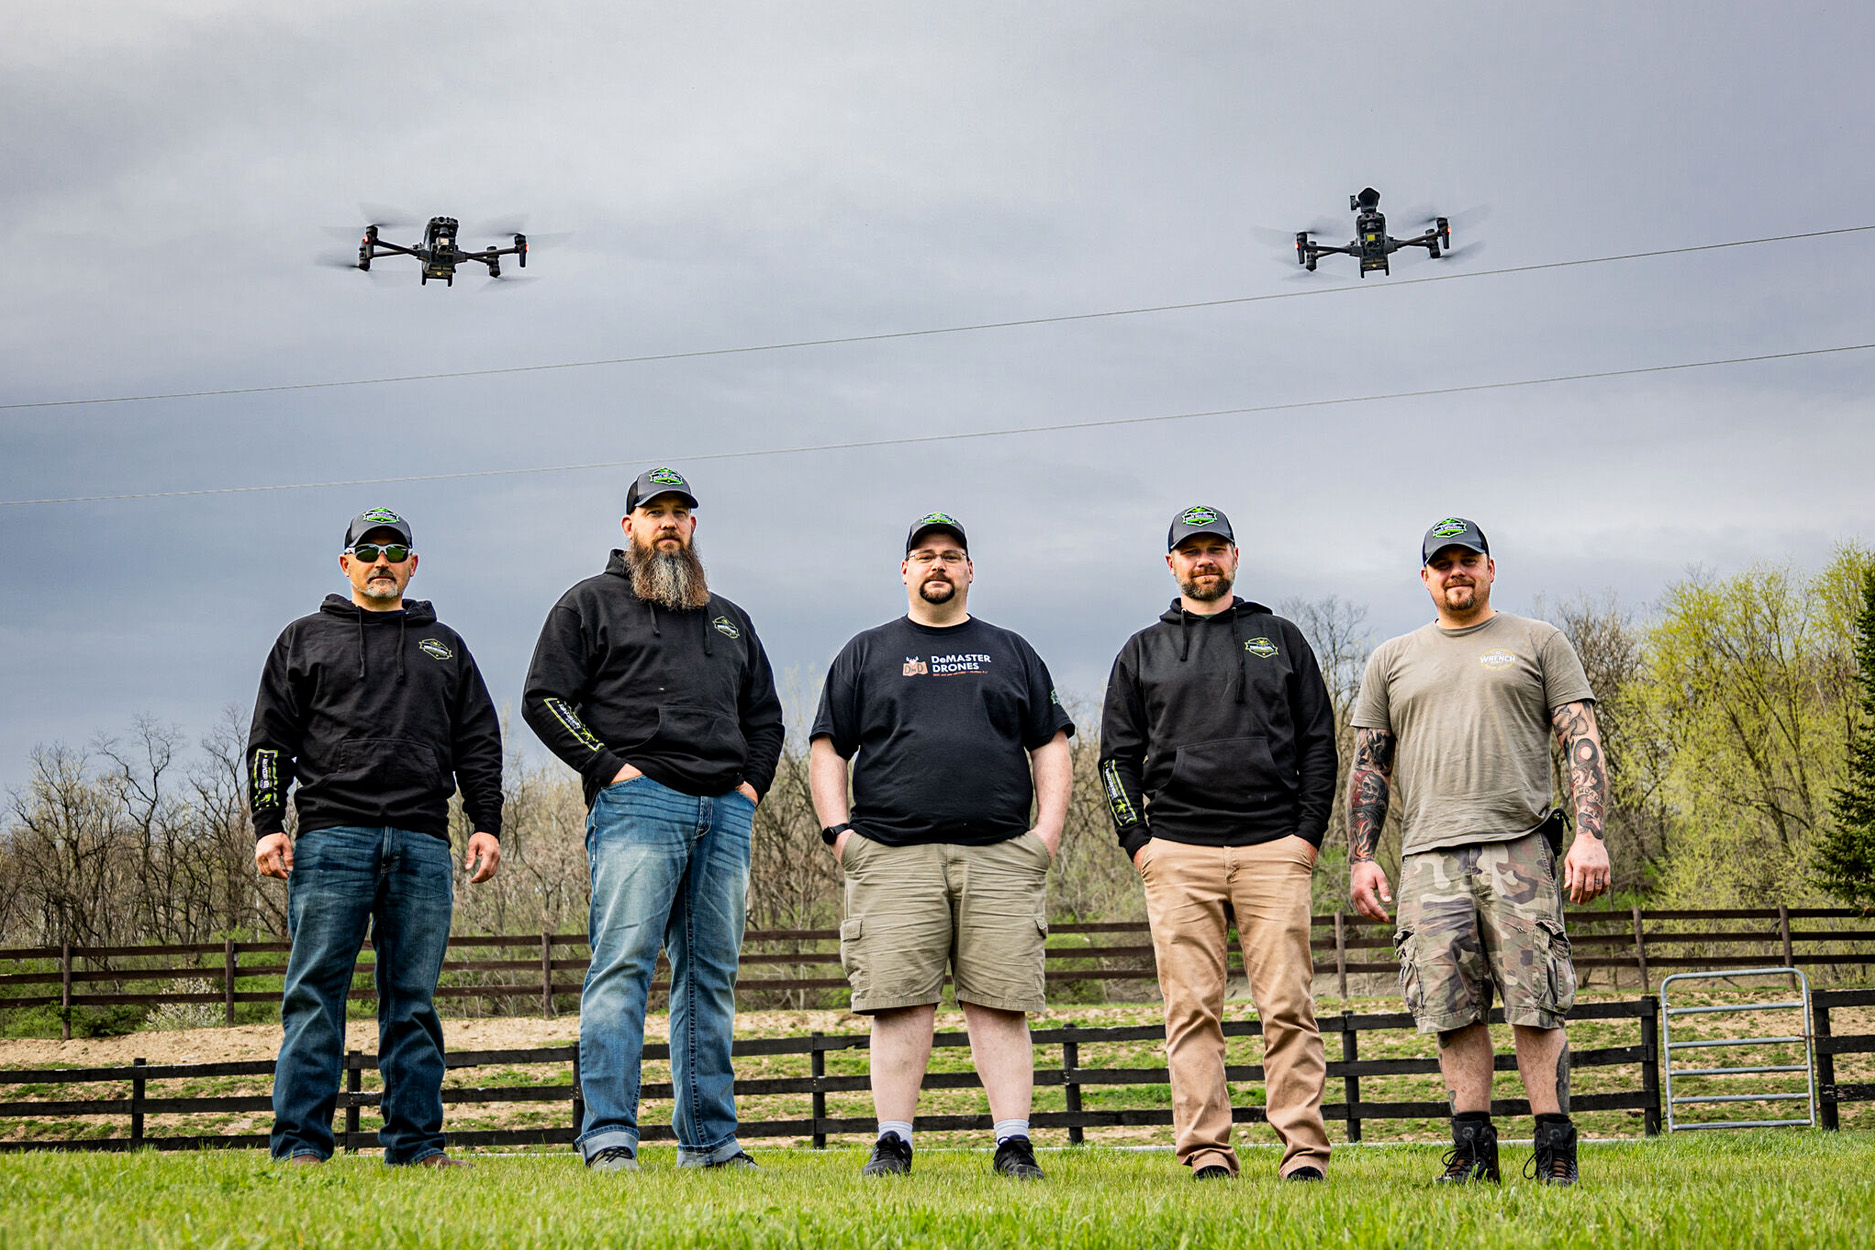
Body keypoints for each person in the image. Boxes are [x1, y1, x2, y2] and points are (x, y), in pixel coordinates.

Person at [523, 467, 784, 1173]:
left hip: (723, 814)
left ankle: (709, 1142)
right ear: (628, 526)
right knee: (623, 969)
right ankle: (608, 1135)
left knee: (709, 977)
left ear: (693, 527)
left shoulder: (727, 617)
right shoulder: (589, 604)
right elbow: (545, 699)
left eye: (680, 512)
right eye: (653, 511)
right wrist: (612, 770)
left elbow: (765, 716)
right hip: (639, 803)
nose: (668, 523)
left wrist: (749, 788)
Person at [1347, 517, 1610, 1187]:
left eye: (1468, 560)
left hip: (1518, 848)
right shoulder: (1391, 658)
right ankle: (1472, 1151)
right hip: (1427, 859)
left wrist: (1588, 833)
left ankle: (1554, 1148)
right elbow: (1368, 766)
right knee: (1448, 1005)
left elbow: (1579, 739)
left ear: (1490, 569)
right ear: (1425, 577)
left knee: (1536, 1001)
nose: (1455, 571)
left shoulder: (1537, 642)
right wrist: (1360, 854)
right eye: (1443, 563)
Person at [809, 512, 1073, 1180]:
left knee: (1000, 1002)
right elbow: (827, 748)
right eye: (924, 556)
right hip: (891, 856)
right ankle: (892, 1142)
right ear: (904, 570)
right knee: (900, 1001)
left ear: (969, 571)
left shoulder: (1010, 650)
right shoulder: (865, 652)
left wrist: (1045, 836)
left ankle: (1013, 1143)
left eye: (951, 555)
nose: (937, 565)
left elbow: (1049, 743)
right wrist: (840, 834)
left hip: (1001, 855)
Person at [250, 507, 503, 1167]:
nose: (381, 561)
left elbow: (477, 741)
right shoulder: (302, 640)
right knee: (313, 995)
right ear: (346, 564)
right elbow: (269, 742)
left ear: (412, 564)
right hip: (331, 841)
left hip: (422, 844)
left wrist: (486, 824)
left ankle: (417, 1146)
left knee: (412, 1002)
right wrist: (268, 825)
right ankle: (300, 1147)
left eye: (395, 551)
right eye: (368, 551)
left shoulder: (443, 645)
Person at [1098, 504, 1337, 1182]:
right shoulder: (1141, 650)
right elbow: (1115, 759)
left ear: (1235, 557)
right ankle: (1206, 1151)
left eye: (1215, 548)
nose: (1203, 560)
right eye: (1190, 550)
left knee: (1288, 1008)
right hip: (1177, 854)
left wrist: (1306, 837)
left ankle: (1303, 1153)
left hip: (1273, 851)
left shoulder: (1278, 637)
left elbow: (1319, 743)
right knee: (1190, 1012)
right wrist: (1139, 845)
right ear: (1171, 563)